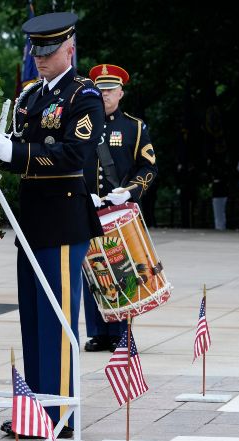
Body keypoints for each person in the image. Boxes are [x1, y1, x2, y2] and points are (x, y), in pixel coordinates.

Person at [0, 12, 105, 440]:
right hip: (31, 221)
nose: (40, 58)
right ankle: (35, 411)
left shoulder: (83, 95)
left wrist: (15, 153)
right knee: (33, 321)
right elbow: (20, 146)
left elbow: (73, 155)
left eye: (49, 51)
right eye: (37, 51)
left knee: (58, 319)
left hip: (63, 221)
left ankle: (61, 413)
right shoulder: (31, 95)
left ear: (69, 49)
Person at [82, 63, 157, 352]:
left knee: (122, 269)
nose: (105, 94)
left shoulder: (134, 127)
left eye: (110, 90)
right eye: (100, 90)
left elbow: (149, 167)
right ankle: (98, 332)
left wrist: (129, 192)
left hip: (119, 210)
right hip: (88, 208)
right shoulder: (82, 125)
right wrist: (81, 194)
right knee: (92, 269)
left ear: (121, 93)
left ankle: (120, 332)